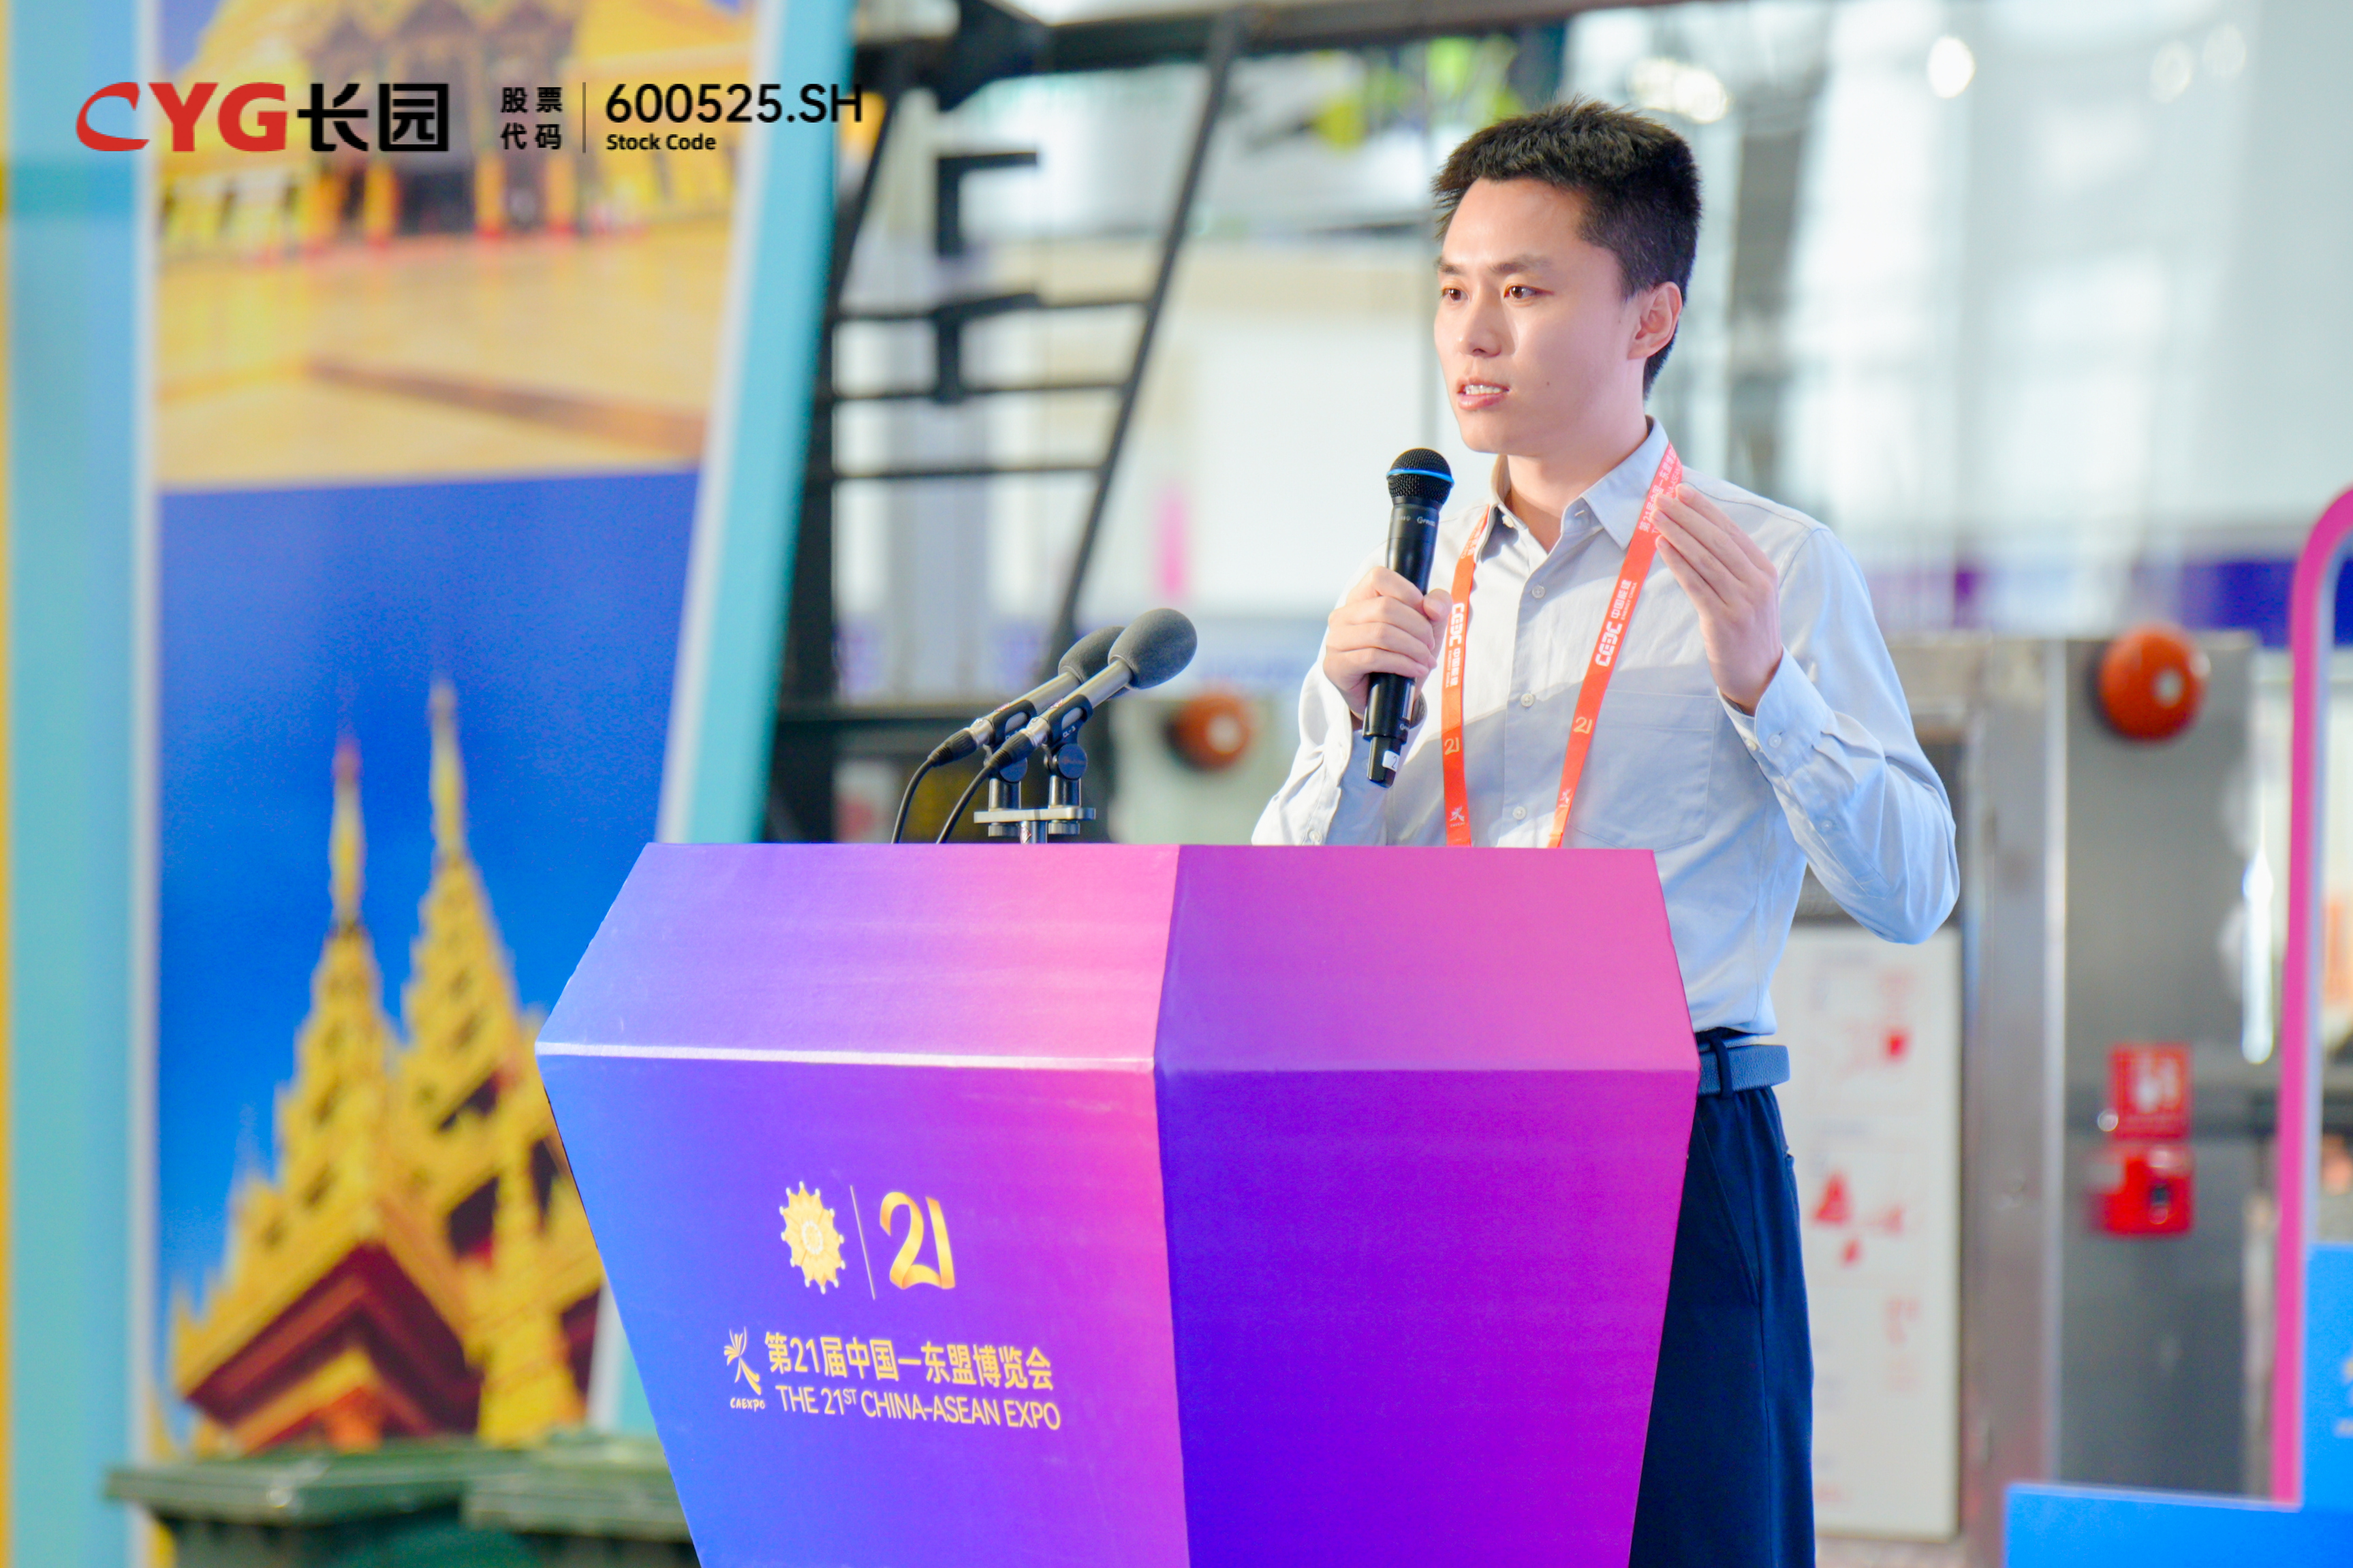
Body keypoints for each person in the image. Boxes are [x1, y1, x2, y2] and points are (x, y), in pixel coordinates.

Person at [1253, 99, 1959, 1568]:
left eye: (1523, 289)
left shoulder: (1769, 565)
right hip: (1420, 1145)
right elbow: (1275, 926)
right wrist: (1337, 724)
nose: (1472, 334)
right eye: (1453, 288)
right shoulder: (1406, 589)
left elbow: (1911, 888)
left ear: (1650, 315)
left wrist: (1768, 687)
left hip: (1669, 1147)